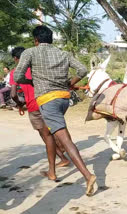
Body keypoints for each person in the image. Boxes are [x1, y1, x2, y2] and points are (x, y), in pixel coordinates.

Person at [14, 26, 96, 196]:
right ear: (51, 39)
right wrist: (69, 82)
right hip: (64, 99)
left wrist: (30, 82)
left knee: (64, 140)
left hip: (47, 101)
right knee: (52, 134)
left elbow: (17, 76)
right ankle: (52, 171)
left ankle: (88, 176)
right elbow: (82, 70)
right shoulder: (63, 53)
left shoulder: (30, 52)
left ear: (36, 40)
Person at [10, 47, 70, 168]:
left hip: (33, 106)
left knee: (45, 136)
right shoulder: (38, 68)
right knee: (56, 129)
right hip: (48, 101)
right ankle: (64, 150)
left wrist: (20, 104)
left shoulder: (15, 72)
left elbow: (13, 94)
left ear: (16, 59)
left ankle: (62, 159)